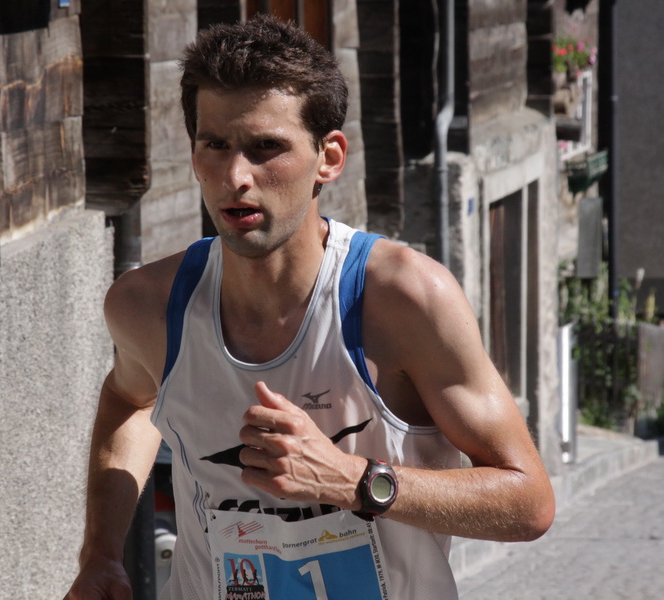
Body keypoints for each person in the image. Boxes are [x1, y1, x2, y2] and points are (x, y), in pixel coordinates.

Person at [63, 14, 555, 600]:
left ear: (329, 157)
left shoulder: (404, 298)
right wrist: (101, 552)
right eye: (215, 145)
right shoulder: (148, 304)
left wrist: (351, 480)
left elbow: (529, 502)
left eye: (266, 147)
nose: (236, 176)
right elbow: (129, 398)